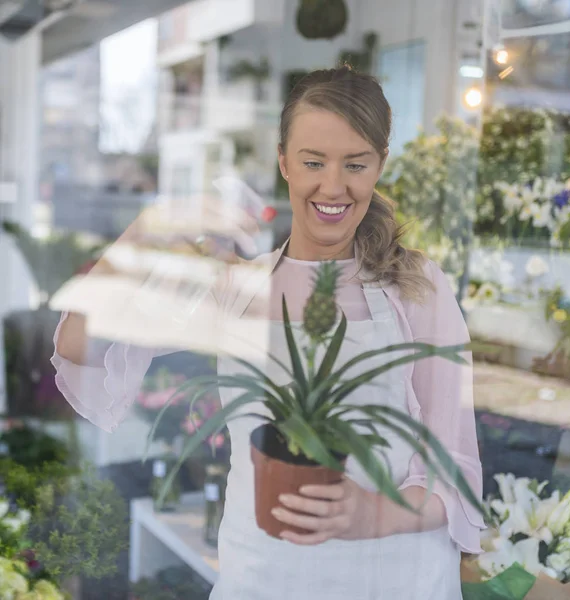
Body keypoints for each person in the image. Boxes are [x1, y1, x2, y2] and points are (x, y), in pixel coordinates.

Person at [53, 66, 485, 599]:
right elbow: (81, 348)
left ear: (380, 166)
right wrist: (147, 230)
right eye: (312, 162)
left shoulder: (417, 289)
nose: (333, 186)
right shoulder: (234, 286)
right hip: (264, 581)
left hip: (394, 579)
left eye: (355, 164)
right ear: (284, 162)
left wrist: (369, 514)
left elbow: (455, 473)